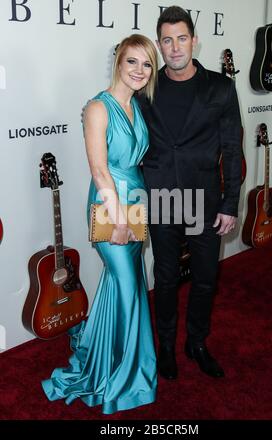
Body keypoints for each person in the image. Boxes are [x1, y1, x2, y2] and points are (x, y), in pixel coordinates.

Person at [41, 34, 158, 414]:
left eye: (147, 64)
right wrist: (119, 218)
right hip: (110, 204)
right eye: (133, 62)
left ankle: (109, 355)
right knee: (127, 287)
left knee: (130, 281)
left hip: (136, 198)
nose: (140, 71)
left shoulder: (137, 107)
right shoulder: (97, 108)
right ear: (118, 62)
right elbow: (99, 169)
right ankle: (121, 377)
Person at [137, 6, 242, 380]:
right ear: (159, 44)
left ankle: (196, 342)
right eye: (167, 40)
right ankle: (166, 345)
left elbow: (232, 149)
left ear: (194, 40)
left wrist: (230, 204)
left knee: (205, 279)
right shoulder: (144, 88)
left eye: (182, 38)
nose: (175, 47)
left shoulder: (220, 87)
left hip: (203, 198)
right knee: (165, 279)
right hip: (162, 196)